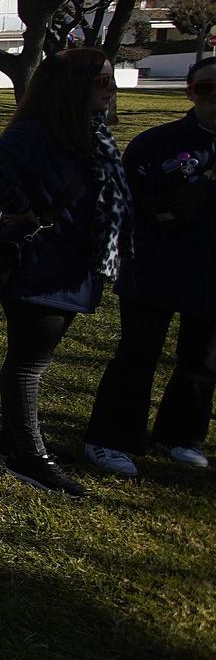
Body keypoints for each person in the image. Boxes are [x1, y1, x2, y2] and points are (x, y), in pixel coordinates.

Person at [0, 47, 129, 497]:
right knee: (28, 364)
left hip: (75, 266)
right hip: (42, 267)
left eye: (111, 81)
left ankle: (11, 438)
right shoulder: (40, 134)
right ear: (71, 86)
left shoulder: (91, 134)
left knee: (37, 359)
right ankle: (28, 455)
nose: (110, 91)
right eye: (101, 82)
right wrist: (21, 208)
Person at [83, 55, 216, 474]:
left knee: (203, 358)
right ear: (190, 93)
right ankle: (112, 438)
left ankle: (181, 435)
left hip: (212, 270)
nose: (214, 97)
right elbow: (126, 203)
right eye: (205, 88)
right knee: (138, 353)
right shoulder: (157, 143)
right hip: (154, 265)